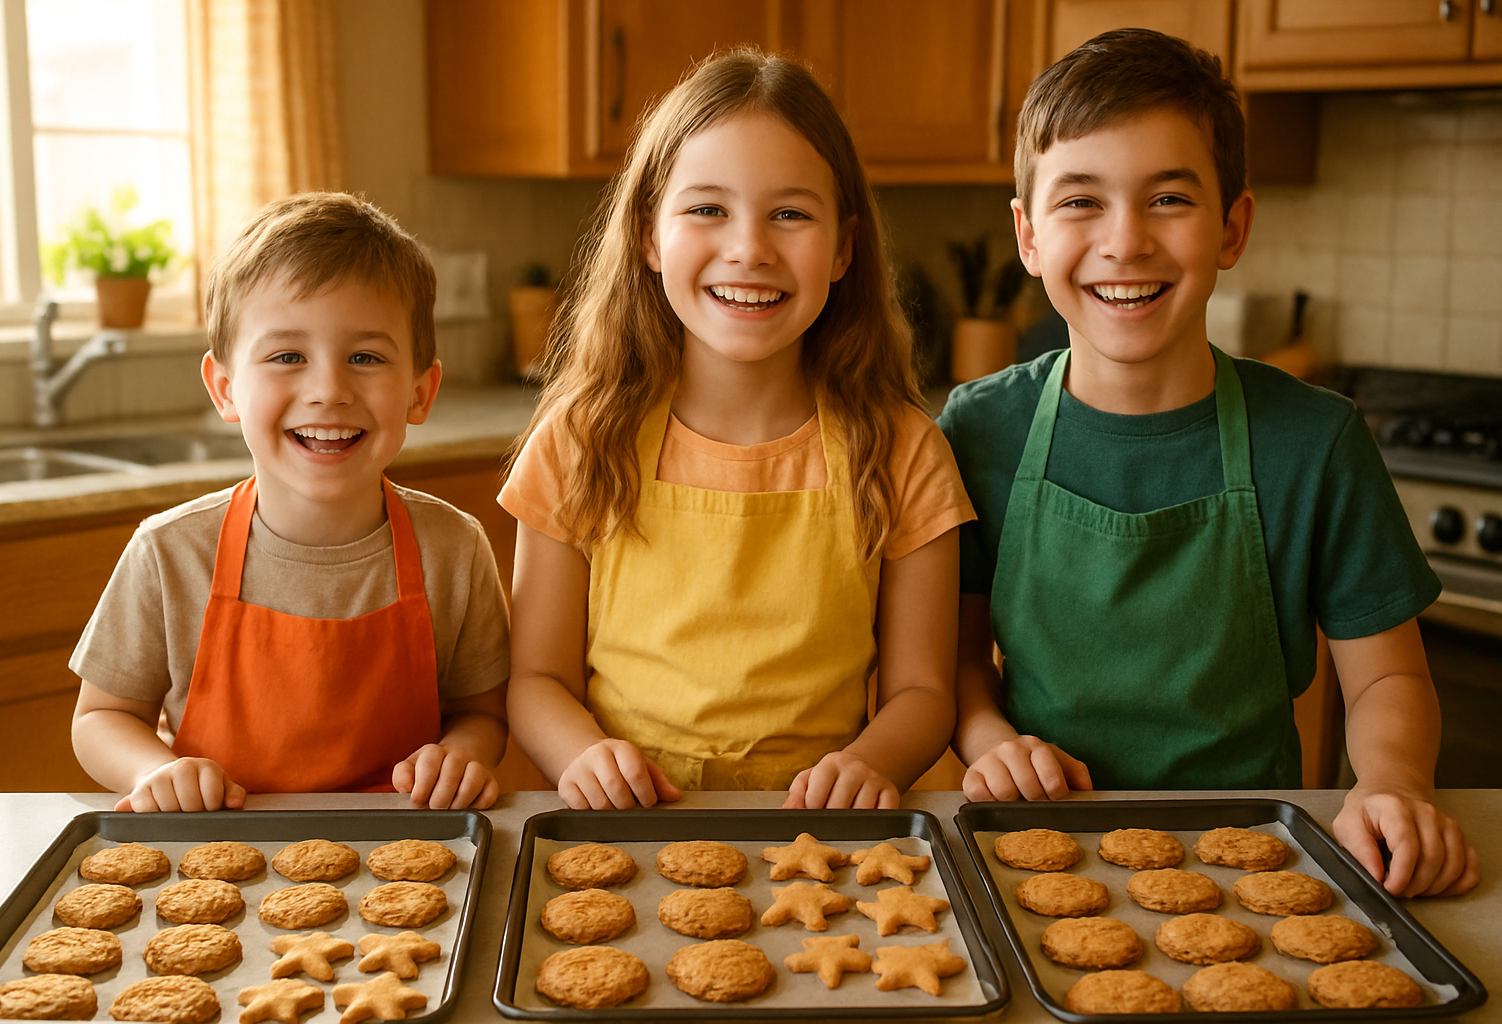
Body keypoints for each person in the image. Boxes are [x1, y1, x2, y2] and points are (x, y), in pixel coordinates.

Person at [940, 28, 1479, 899]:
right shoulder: (979, 427)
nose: (1126, 242)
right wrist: (989, 741)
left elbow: (1385, 676)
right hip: (1037, 851)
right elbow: (958, 662)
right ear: (1028, 235)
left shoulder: (1315, 442)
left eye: (1168, 200)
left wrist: (1392, 782)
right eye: (1081, 201)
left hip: (1257, 860)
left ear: (1232, 227)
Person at [501, 49, 974, 811]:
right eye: (707, 209)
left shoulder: (904, 451)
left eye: (790, 213)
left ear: (845, 247)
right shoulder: (581, 439)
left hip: (821, 833)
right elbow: (536, 681)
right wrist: (584, 757)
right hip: (630, 825)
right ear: (650, 237)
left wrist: (870, 763)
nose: (749, 248)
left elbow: (923, 690)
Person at [70, 193, 510, 812]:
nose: (328, 390)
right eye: (287, 357)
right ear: (226, 390)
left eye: (365, 357)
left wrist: (462, 755)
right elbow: (99, 719)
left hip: (408, 860)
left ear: (419, 391)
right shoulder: (170, 553)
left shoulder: (455, 549)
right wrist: (155, 771)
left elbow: (482, 712)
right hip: (217, 852)